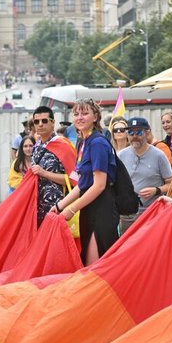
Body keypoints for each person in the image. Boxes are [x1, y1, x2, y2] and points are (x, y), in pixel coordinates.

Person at [53, 98, 118, 264]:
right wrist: (60, 206)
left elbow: (99, 185)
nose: (79, 117)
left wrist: (72, 209)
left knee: (95, 264)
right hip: (88, 208)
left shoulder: (97, 143)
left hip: (102, 208)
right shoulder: (82, 142)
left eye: (85, 113)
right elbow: (81, 183)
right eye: (76, 114)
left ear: (95, 117)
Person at [117, 117, 172, 232]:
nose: (134, 136)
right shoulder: (121, 155)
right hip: (127, 215)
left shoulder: (159, 155)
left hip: (151, 213)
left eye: (139, 132)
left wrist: (156, 190)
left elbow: (171, 183)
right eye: (131, 132)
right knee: (127, 247)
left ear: (147, 133)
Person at [29, 106, 76, 227]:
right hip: (36, 210)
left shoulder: (64, 145)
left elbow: (75, 180)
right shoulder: (36, 147)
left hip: (56, 208)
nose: (40, 124)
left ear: (53, 122)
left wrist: (45, 173)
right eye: (36, 121)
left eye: (44, 121)